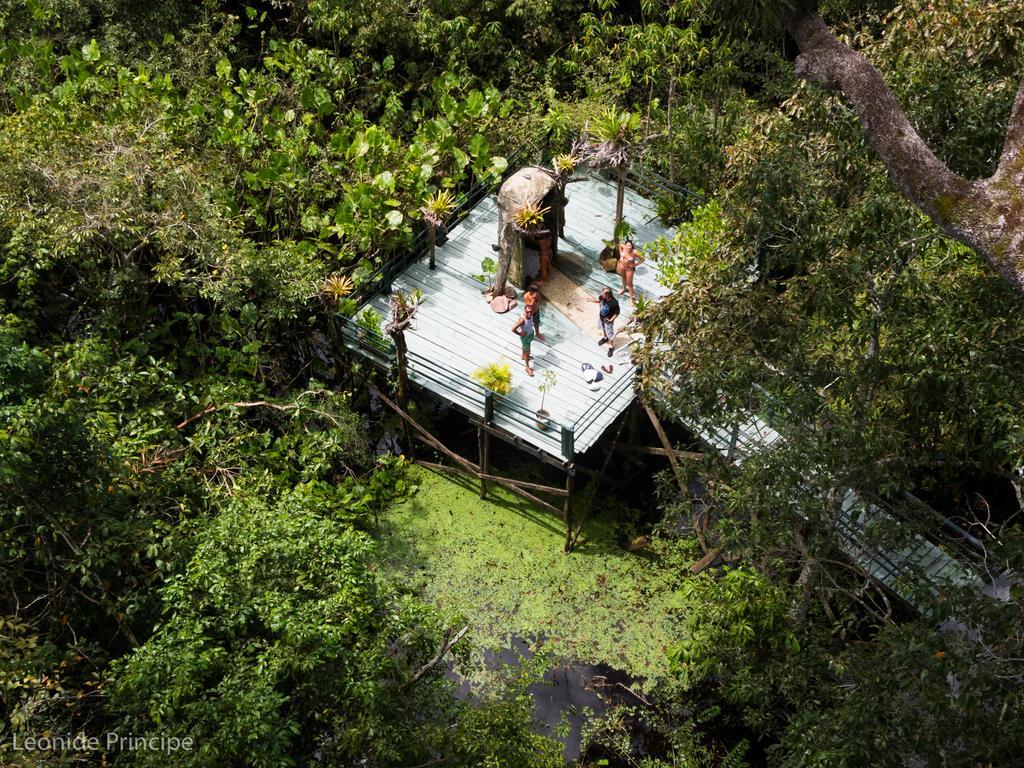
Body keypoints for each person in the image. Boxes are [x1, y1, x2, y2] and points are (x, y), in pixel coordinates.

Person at [589, 287, 619, 358]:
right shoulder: (602, 297)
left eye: (603, 294)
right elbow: (599, 300)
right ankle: (605, 338)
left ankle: (611, 347)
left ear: (608, 295)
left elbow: (617, 313)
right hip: (601, 318)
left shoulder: (614, 303)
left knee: (610, 334)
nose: (601, 295)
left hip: (609, 322)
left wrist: (611, 319)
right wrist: (591, 300)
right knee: (603, 329)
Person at [512, 304, 537, 376]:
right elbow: (513, 329)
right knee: (528, 352)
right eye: (527, 312)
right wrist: (520, 334)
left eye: (531, 312)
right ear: (525, 311)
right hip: (525, 338)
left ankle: (523, 356)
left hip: (530, 334)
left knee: (525, 348)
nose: (529, 313)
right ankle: (527, 367)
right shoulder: (522, 320)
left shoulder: (531, 315)